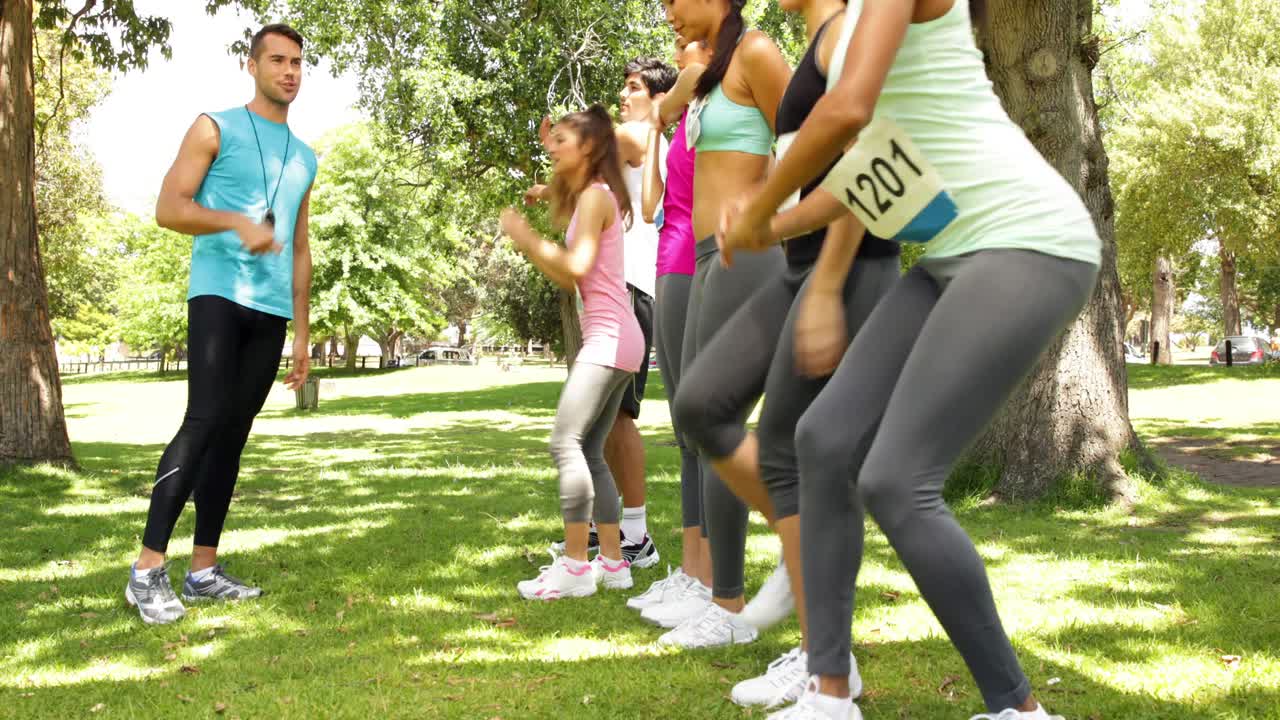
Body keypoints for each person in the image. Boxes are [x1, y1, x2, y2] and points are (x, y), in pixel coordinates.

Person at [722, 2, 1097, 718]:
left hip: (1027, 242)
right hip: (952, 252)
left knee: (897, 480)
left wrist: (761, 200)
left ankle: (1017, 710)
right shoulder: (853, 22)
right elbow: (878, 167)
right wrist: (773, 224)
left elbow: (846, 113)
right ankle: (830, 691)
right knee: (823, 440)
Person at [674, 0, 896, 707]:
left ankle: (826, 660)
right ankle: (800, 566)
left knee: (809, 455)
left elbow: (875, 157)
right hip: (795, 262)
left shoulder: (850, 34)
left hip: (849, 262)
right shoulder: (811, 42)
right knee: (702, 407)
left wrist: (829, 280)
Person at [126, 24, 319, 625]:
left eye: (297, 63)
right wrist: (236, 224)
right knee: (203, 422)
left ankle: (203, 569)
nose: (289, 72)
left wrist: (304, 335)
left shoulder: (305, 156)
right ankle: (145, 569)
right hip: (218, 294)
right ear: (253, 65)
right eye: (277, 60)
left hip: (272, 312)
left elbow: (301, 247)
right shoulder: (215, 126)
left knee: (233, 436)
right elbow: (169, 208)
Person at [640, 0, 790, 649]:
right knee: (700, 426)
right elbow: (668, 122)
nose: (668, 9)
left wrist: (763, 208)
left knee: (715, 416)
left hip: (747, 255)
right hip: (702, 258)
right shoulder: (710, 71)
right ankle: (722, 596)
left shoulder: (757, 52)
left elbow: (813, 140)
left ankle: (749, 589)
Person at [530, 58, 677, 570]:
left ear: (659, 98)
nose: (623, 94)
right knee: (603, 423)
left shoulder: (640, 132)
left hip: (633, 288)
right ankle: (604, 533)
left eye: (633, 87)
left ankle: (634, 536)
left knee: (619, 419)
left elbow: (597, 143)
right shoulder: (630, 149)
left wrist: (566, 138)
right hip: (621, 289)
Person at [503, 106, 645, 601]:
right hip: (622, 339)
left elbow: (574, 269)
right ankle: (613, 563)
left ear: (588, 148)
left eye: (563, 140)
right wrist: (548, 175)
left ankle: (577, 567)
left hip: (607, 339)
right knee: (590, 452)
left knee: (565, 444)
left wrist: (525, 239)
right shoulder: (595, 194)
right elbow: (565, 190)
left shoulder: (594, 199)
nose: (554, 147)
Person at [625, 37, 717, 616]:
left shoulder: (717, 115)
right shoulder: (682, 129)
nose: (686, 60)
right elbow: (654, 205)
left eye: (692, 52)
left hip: (698, 263)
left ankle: (711, 578)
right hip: (669, 258)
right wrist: (661, 124)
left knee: (705, 426)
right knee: (685, 429)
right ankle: (691, 571)